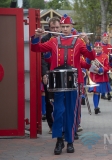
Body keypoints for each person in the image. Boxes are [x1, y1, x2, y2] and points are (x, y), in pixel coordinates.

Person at [31, 14, 96, 155]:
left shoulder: (79, 42)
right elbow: (36, 49)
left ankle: (70, 141)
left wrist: (87, 41)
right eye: (63, 27)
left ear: (72, 27)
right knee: (58, 111)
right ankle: (59, 140)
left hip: (74, 82)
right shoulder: (54, 41)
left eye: (68, 27)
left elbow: (91, 57)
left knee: (71, 112)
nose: (65, 29)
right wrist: (36, 36)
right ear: (59, 28)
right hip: (58, 82)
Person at [41, 17, 61, 134]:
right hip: (49, 73)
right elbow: (42, 59)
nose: (55, 29)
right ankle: (51, 125)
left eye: (57, 27)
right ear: (49, 28)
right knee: (50, 100)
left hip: (62, 73)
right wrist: (44, 74)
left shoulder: (65, 39)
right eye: (52, 27)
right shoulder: (44, 39)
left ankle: (62, 123)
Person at [88, 42, 111, 114]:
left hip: (102, 77)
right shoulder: (91, 56)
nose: (98, 49)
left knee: (98, 92)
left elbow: (107, 67)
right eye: (96, 47)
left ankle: (96, 106)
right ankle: (96, 107)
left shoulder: (105, 56)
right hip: (94, 77)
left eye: (99, 48)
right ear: (94, 48)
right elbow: (87, 64)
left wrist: (100, 70)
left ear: (101, 48)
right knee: (96, 92)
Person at [101, 32, 112, 100]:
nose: (106, 39)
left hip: (107, 65)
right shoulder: (100, 46)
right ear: (102, 38)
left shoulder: (110, 46)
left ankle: (108, 93)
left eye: (107, 38)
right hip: (101, 65)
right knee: (103, 80)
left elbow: (111, 56)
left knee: (107, 79)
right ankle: (103, 94)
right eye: (105, 38)